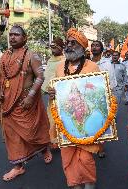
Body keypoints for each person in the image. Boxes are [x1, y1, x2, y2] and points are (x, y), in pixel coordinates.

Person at [0, 25, 52, 181]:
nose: (12, 37)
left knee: (33, 132)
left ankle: (44, 149)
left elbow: (40, 77)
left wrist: (31, 96)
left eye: (16, 35)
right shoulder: (4, 56)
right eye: (10, 35)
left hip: (26, 103)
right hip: (7, 103)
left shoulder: (32, 56)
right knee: (12, 136)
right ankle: (18, 167)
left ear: (25, 38)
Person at [48, 28, 100, 189]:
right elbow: (55, 92)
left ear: (82, 47)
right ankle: (75, 185)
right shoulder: (59, 67)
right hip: (66, 121)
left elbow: (98, 95)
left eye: (73, 43)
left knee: (85, 159)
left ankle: (89, 186)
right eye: (67, 42)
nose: (68, 45)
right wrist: (52, 94)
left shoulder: (92, 67)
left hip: (86, 121)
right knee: (68, 158)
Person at [91, 40, 117, 158]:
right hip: (89, 97)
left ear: (101, 49)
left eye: (97, 46)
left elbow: (111, 81)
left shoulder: (107, 63)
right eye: (93, 45)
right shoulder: (86, 63)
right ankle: (90, 144)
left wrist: (107, 97)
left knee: (100, 123)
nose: (94, 47)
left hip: (103, 96)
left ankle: (101, 148)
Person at [42, 38, 65, 147]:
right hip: (51, 95)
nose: (53, 49)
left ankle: (64, 139)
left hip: (62, 94)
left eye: (56, 46)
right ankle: (54, 141)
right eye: (52, 47)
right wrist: (43, 90)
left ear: (62, 48)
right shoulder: (50, 60)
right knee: (51, 118)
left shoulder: (65, 60)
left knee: (62, 117)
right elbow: (47, 77)